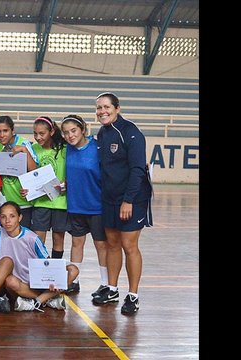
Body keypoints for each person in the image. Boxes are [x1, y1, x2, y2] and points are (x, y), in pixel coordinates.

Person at [92, 92, 153, 315]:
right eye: (98, 108)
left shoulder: (131, 132)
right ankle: (112, 289)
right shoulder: (103, 132)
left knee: (129, 246)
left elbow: (138, 169)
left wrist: (128, 200)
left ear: (117, 108)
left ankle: (133, 295)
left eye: (106, 107)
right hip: (109, 198)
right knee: (112, 244)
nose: (102, 112)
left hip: (132, 198)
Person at [0, 201, 78, 312]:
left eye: (12, 216)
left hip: (40, 281)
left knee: (73, 270)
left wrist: (53, 280)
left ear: (20, 218)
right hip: (20, 285)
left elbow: (47, 262)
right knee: (10, 281)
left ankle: (37, 301)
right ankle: (49, 299)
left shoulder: (32, 238)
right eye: (3, 217)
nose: (7, 221)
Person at [60, 114, 108, 296]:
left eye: (73, 131)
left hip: (96, 206)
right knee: (76, 242)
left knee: (100, 245)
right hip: (75, 205)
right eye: (66, 133)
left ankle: (105, 283)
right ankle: (74, 280)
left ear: (82, 130)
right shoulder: (67, 150)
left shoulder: (97, 147)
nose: (70, 135)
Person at [30, 116, 68, 259]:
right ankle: (40, 273)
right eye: (35, 134)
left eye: (42, 133)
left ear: (51, 132)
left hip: (60, 202)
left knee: (58, 240)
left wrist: (66, 183)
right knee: (38, 241)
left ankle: (54, 273)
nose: (38, 137)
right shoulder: (33, 149)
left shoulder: (63, 148)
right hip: (40, 201)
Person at [0, 115, 39, 228]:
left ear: (12, 130)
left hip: (23, 202)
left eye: (5, 131)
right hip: (5, 203)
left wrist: (25, 151)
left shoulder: (24, 144)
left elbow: (34, 171)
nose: (2, 135)